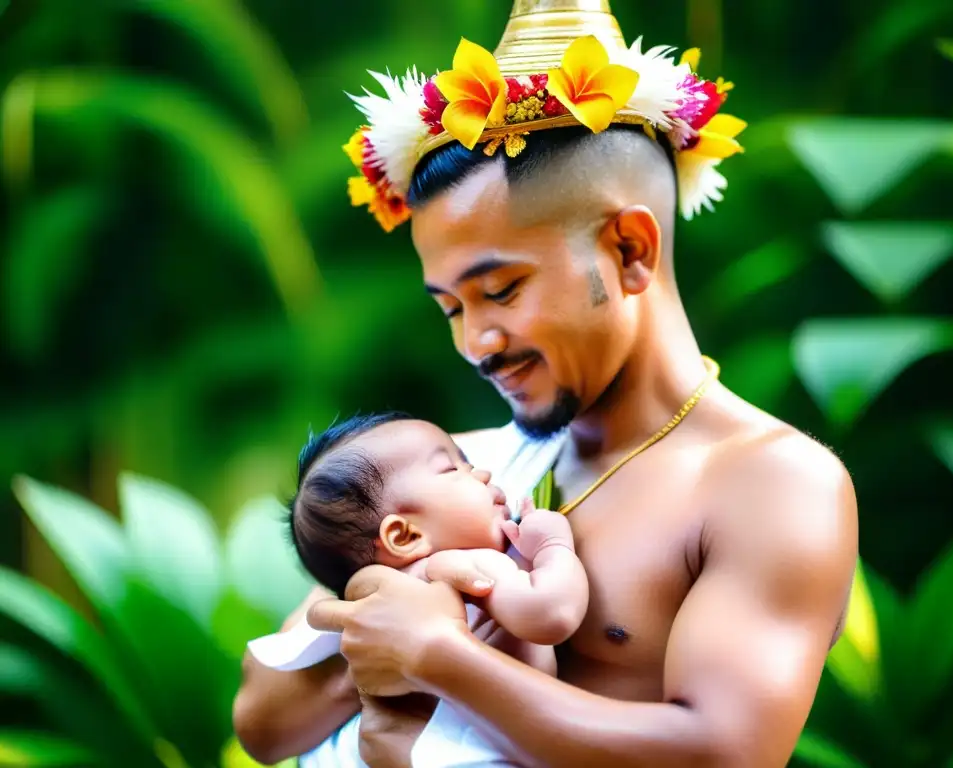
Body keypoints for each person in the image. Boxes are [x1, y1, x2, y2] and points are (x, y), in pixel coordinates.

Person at [232, 3, 859, 766]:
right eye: (451, 308)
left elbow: (722, 752)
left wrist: (440, 655)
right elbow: (264, 720)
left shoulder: (771, 483)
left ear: (629, 248)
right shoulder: (454, 474)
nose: (475, 343)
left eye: (499, 291)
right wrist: (418, 609)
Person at [247, 412, 589, 767]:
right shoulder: (459, 568)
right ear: (404, 536)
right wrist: (553, 544)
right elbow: (551, 614)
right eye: (453, 469)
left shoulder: (377, 599)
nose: (484, 473)